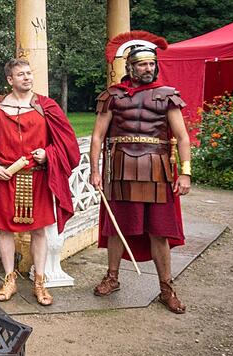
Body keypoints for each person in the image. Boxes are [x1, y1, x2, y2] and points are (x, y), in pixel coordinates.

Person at [89, 31, 191, 314]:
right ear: (130, 67)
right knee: (116, 228)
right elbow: (97, 137)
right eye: (143, 64)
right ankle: (112, 277)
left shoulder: (167, 96)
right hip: (120, 169)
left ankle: (166, 288)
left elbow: (182, 137)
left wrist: (185, 172)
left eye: (151, 64)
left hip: (158, 172)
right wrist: (94, 171)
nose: (149, 69)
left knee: (160, 230)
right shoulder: (113, 97)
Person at [0, 58, 80, 306]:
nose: (27, 77)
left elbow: (66, 143)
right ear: (10, 80)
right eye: (21, 74)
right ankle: (9, 279)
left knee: (39, 230)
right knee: (4, 230)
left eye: (29, 73)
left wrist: (48, 153)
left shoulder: (47, 107)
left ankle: (40, 282)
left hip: (37, 178)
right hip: (6, 177)